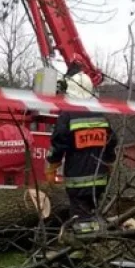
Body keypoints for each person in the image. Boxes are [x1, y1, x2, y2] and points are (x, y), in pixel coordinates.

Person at [45, 70, 118, 247]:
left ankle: (81, 247)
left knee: (80, 216)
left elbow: (58, 142)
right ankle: (95, 243)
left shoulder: (68, 114)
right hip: (99, 178)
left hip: (77, 178)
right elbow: (111, 141)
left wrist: (52, 166)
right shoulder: (99, 114)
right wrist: (109, 162)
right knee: (92, 211)